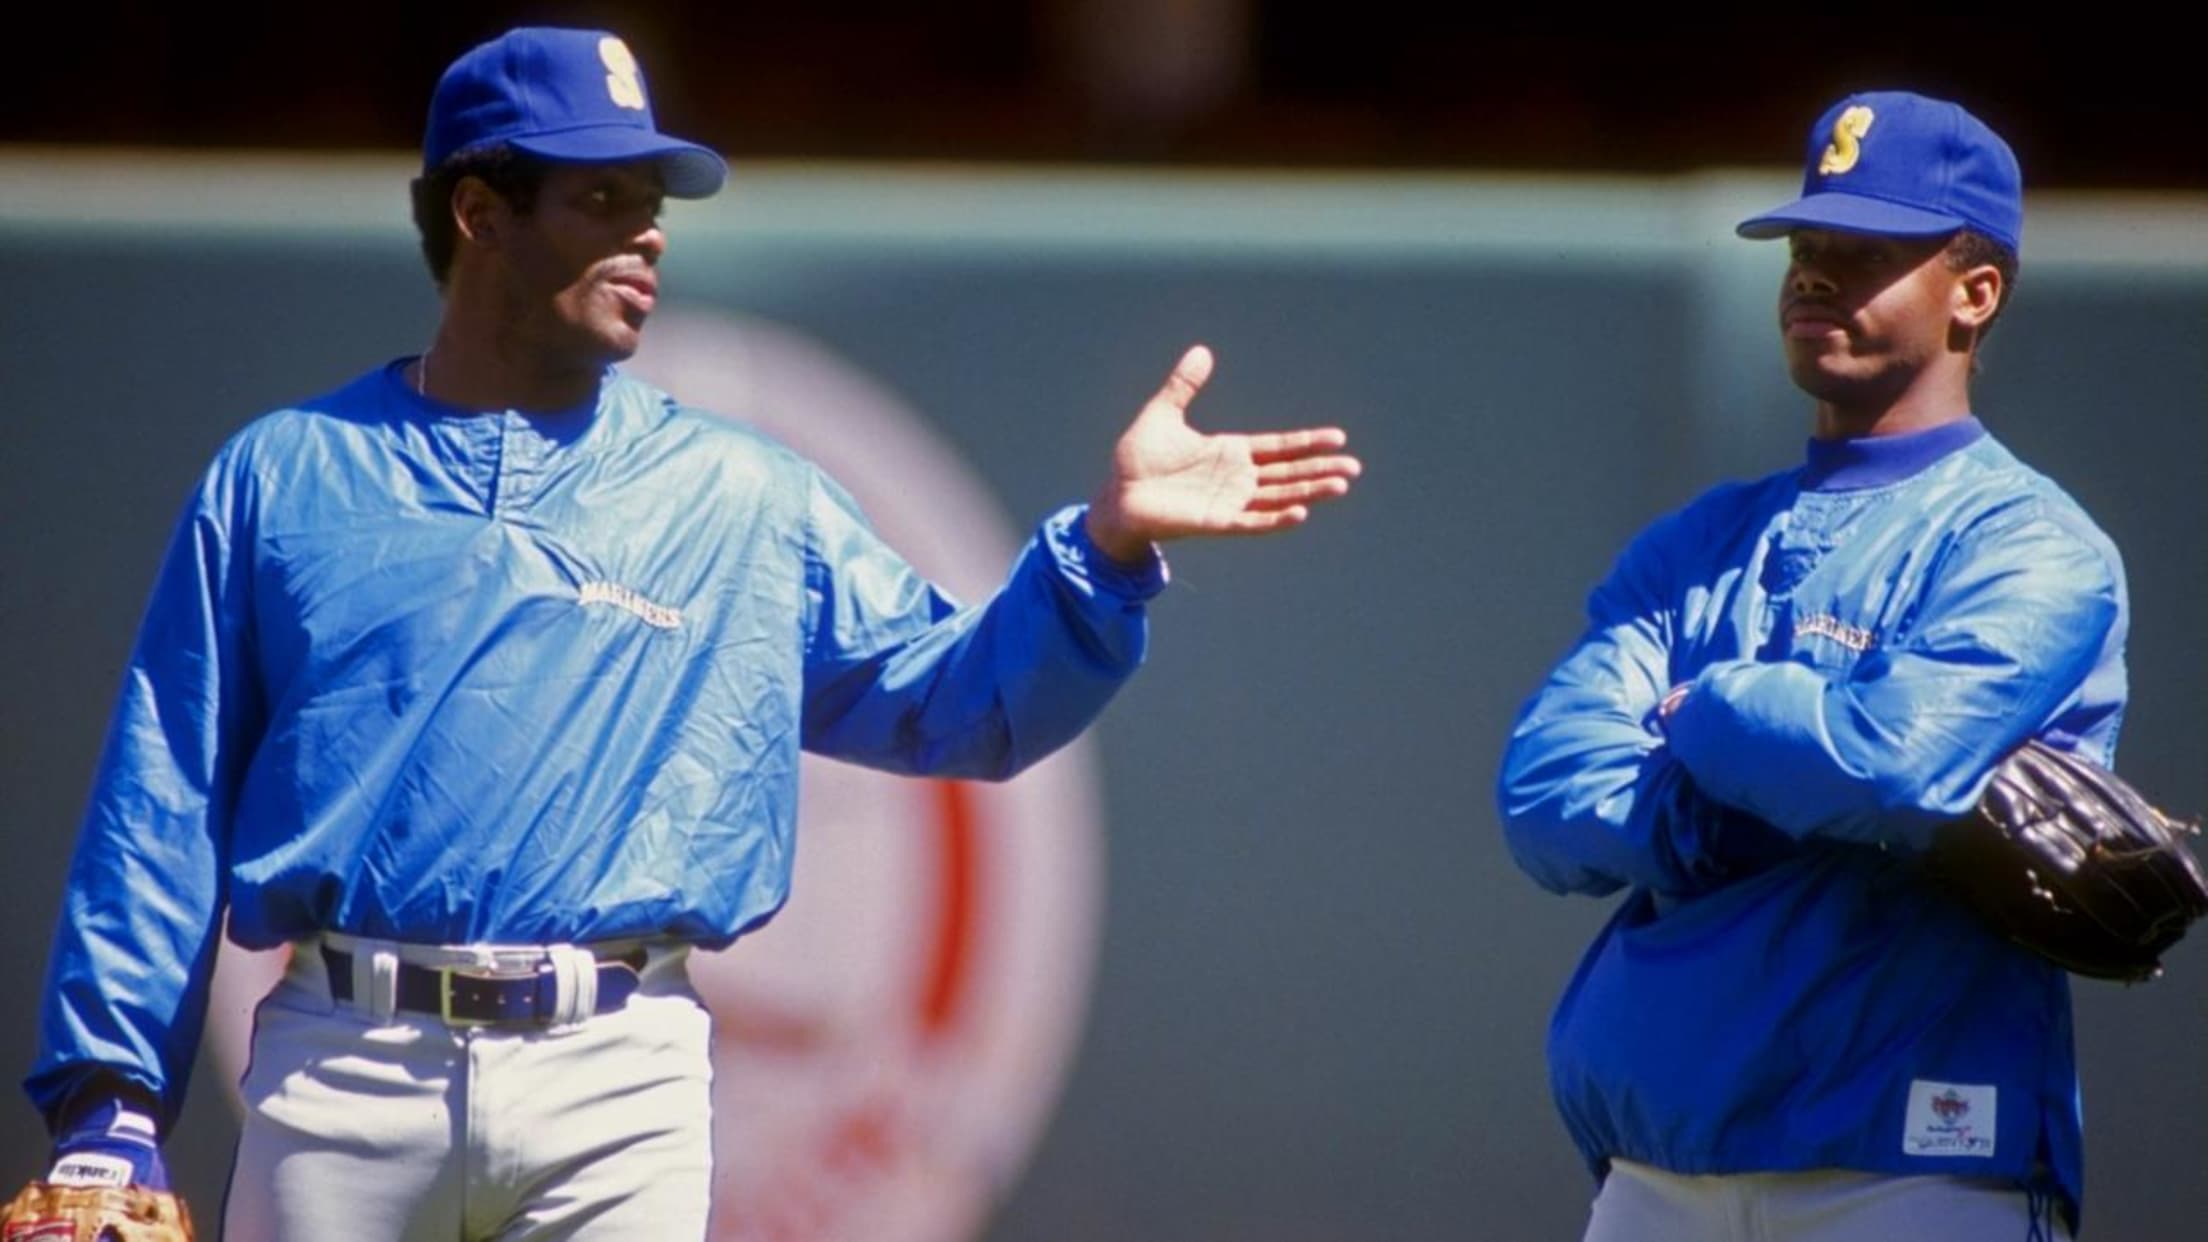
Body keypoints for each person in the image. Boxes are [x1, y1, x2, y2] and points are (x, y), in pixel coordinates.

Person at [22, 25, 1360, 1241]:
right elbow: (164, 797)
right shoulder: (286, 476)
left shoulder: (740, 493)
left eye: (653, 203)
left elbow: (959, 697)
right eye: (601, 198)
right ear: (480, 214)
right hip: (344, 1066)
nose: (647, 234)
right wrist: (108, 1103)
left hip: (619, 1074)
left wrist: (1106, 552)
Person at [1497, 90, 2119, 1241]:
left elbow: (1889, 764)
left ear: (1974, 292)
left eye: (1865, 251)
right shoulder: (1698, 543)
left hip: (1917, 1162)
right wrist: (1740, 801)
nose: (1814, 276)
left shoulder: (2032, 545)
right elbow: (1545, 792)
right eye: (1806, 246)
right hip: (1658, 1165)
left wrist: (1702, 708)